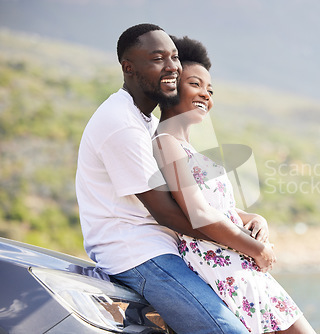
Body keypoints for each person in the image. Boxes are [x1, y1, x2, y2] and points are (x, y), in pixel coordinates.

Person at [75, 23, 250, 333]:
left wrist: (247, 220)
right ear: (128, 67)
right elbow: (166, 211)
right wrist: (244, 245)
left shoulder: (144, 121)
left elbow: (192, 199)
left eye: (174, 57)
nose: (172, 68)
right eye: (158, 58)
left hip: (162, 247)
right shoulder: (122, 123)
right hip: (138, 254)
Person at [152, 35, 316, 333]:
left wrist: (253, 218)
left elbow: (220, 207)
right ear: (171, 87)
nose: (206, 95)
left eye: (210, 89)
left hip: (237, 262)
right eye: (196, 85)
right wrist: (257, 249)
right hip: (219, 266)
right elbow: (198, 214)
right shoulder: (166, 143)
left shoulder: (189, 148)